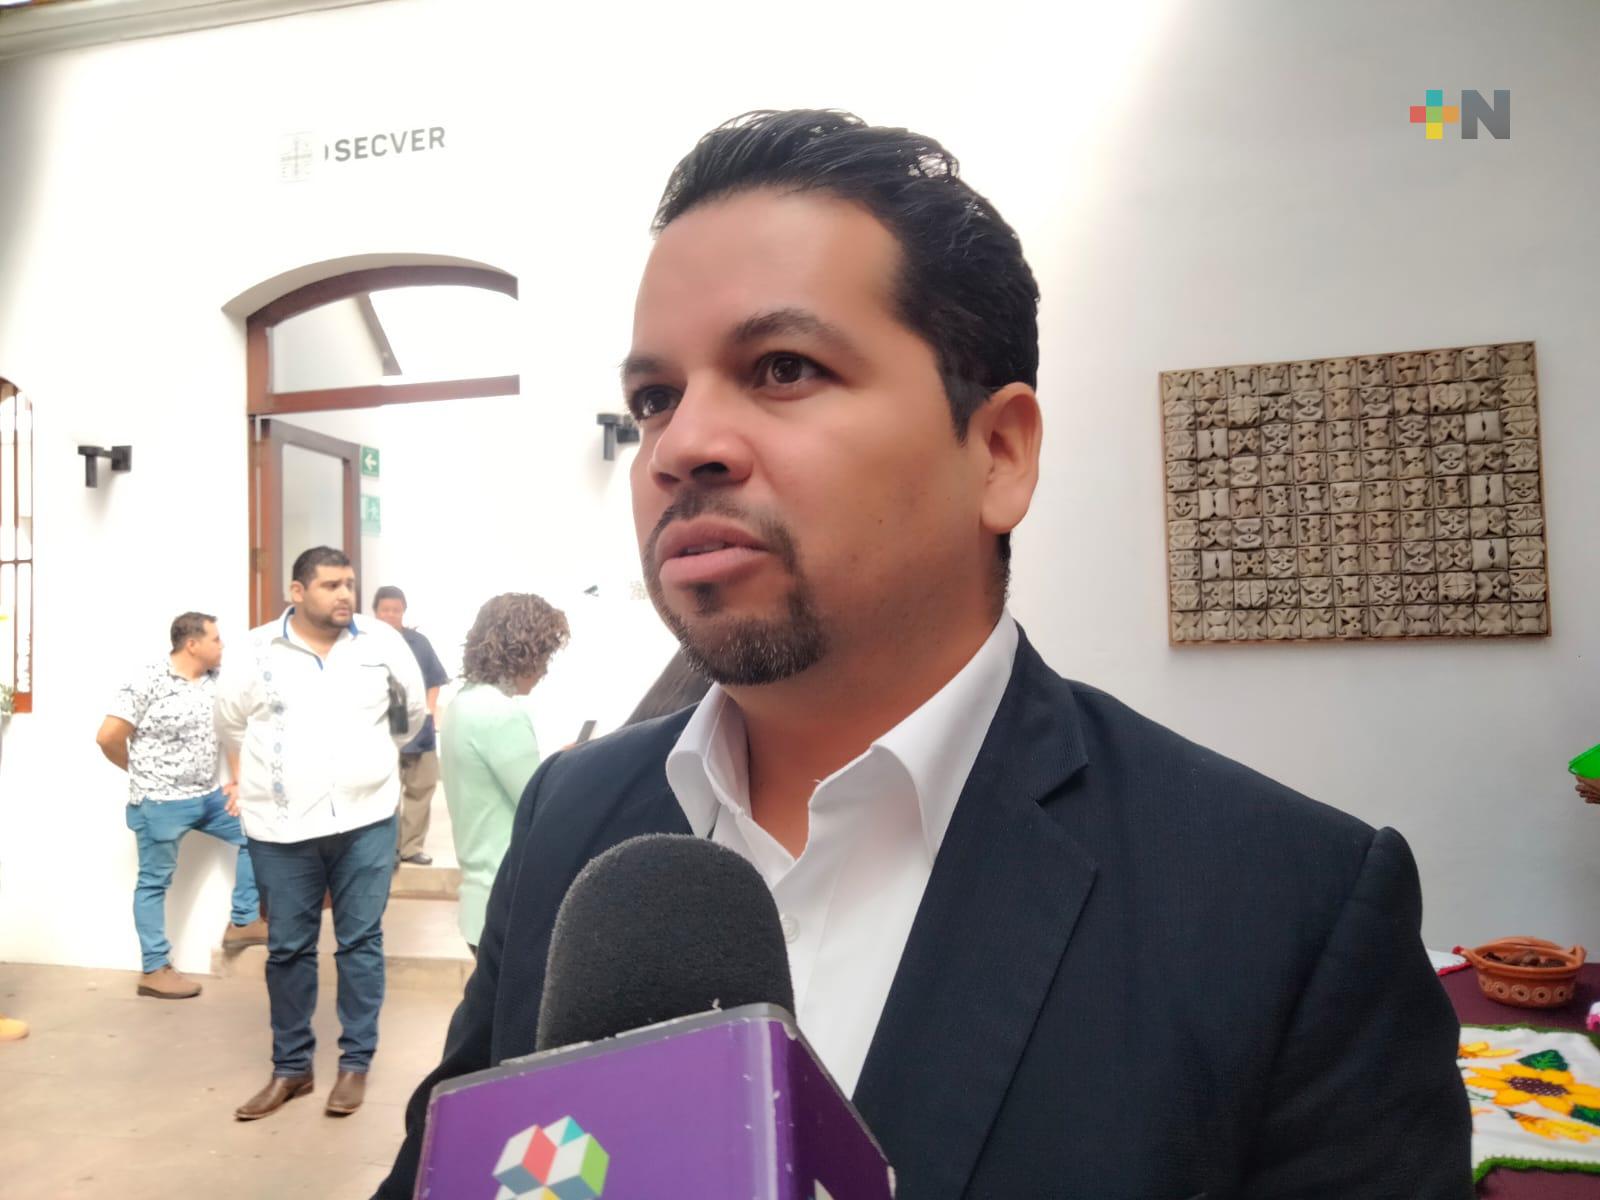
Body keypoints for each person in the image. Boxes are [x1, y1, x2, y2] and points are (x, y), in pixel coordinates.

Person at [376, 111, 1469, 1199]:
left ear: (997, 452)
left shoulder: (1285, 911)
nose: (681, 446)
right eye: (655, 398)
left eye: (783, 367)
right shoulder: (572, 817)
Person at [217, 547, 424, 1121]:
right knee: (288, 947)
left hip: (366, 819)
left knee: (361, 943)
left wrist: (365, 764)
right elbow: (230, 723)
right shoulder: (255, 650)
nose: (345, 594)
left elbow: (409, 716)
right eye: (331, 585)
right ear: (297, 591)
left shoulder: (382, 643)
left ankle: (355, 1063)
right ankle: (292, 1069)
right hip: (281, 825)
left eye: (349, 583)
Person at [95, 612, 266, 1000]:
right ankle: (154, 969)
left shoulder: (218, 682)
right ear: (192, 644)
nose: (222, 645)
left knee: (258, 829)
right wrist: (140, 771)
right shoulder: (148, 680)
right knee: (154, 883)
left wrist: (238, 782)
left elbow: (231, 733)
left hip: (207, 797)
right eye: (216, 639)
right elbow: (108, 737)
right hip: (159, 802)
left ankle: (243, 921)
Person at [439, 593, 569, 955]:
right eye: (544, 654)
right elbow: (542, 805)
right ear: (522, 651)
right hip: (507, 898)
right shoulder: (501, 714)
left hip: (478, 896)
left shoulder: (463, 703)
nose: (544, 669)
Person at [372, 585, 450, 866]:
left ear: (404, 611)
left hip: (419, 729)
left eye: (396, 610)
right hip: (381, 731)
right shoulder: (364, 643)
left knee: (421, 787)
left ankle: (411, 846)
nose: (390, 615)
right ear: (375, 612)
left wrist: (429, 711)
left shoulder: (419, 643)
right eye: (385, 610)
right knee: (385, 791)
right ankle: (388, 849)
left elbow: (435, 679)